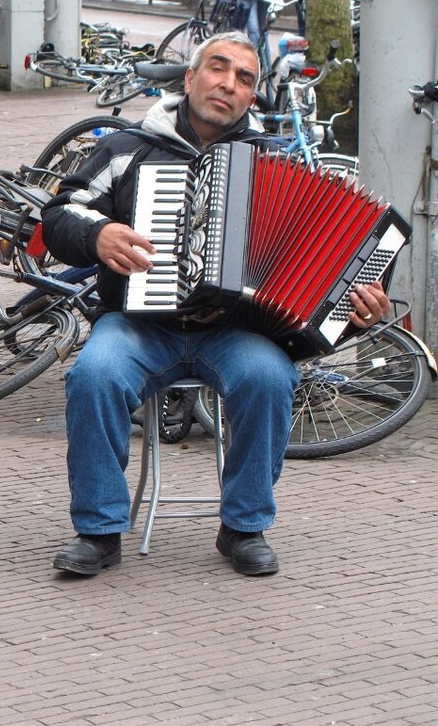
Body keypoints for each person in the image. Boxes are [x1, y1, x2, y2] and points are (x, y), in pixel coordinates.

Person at [40, 32, 390, 578]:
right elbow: (61, 215)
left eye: (244, 79)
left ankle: (244, 526)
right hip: (138, 324)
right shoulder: (126, 149)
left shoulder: (277, 160)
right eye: (218, 69)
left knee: (269, 378)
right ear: (190, 79)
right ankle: (100, 530)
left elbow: (329, 272)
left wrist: (356, 306)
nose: (228, 84)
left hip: (234, 331)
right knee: (94, 375)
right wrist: (100, 235)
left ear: (253, 98)